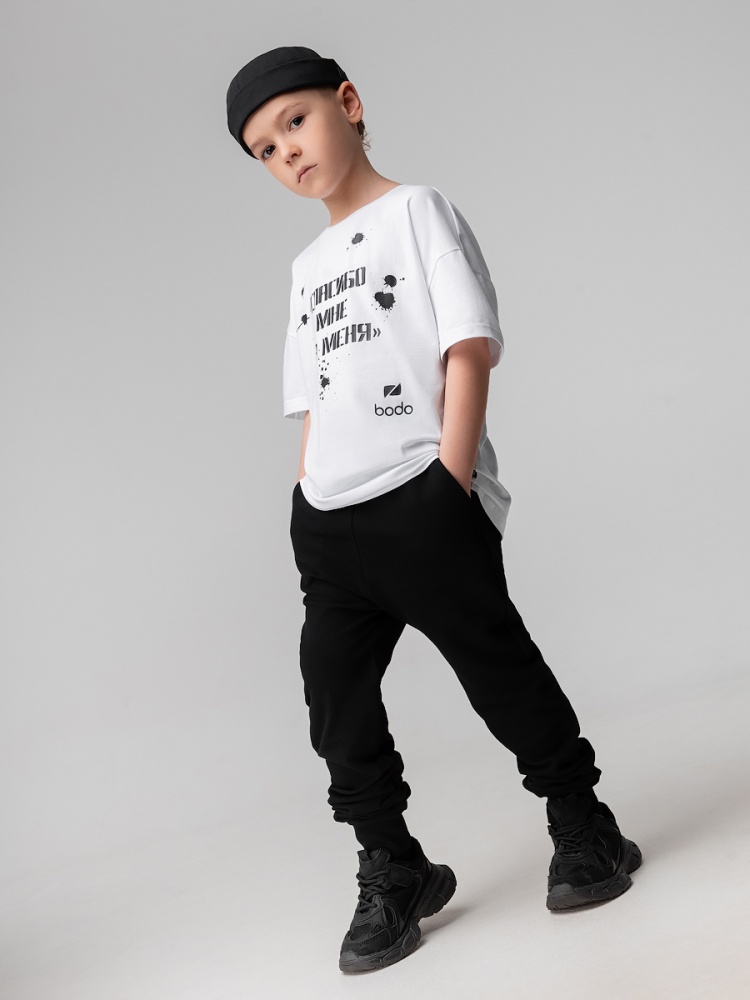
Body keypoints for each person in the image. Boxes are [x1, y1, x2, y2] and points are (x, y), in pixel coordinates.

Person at [226, 45, 642, 975]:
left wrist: (449, 484)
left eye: (294, 121)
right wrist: (305, 501)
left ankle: (583, 823)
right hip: (330, 520)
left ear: (347, 102)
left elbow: (467, 344)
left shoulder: (418, 211)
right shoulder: (305, 267)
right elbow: (316, 396)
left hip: (422, 499)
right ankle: (395, 866)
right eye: (264, 150)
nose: (287, 152)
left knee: (498, 670)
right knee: (335, 701)